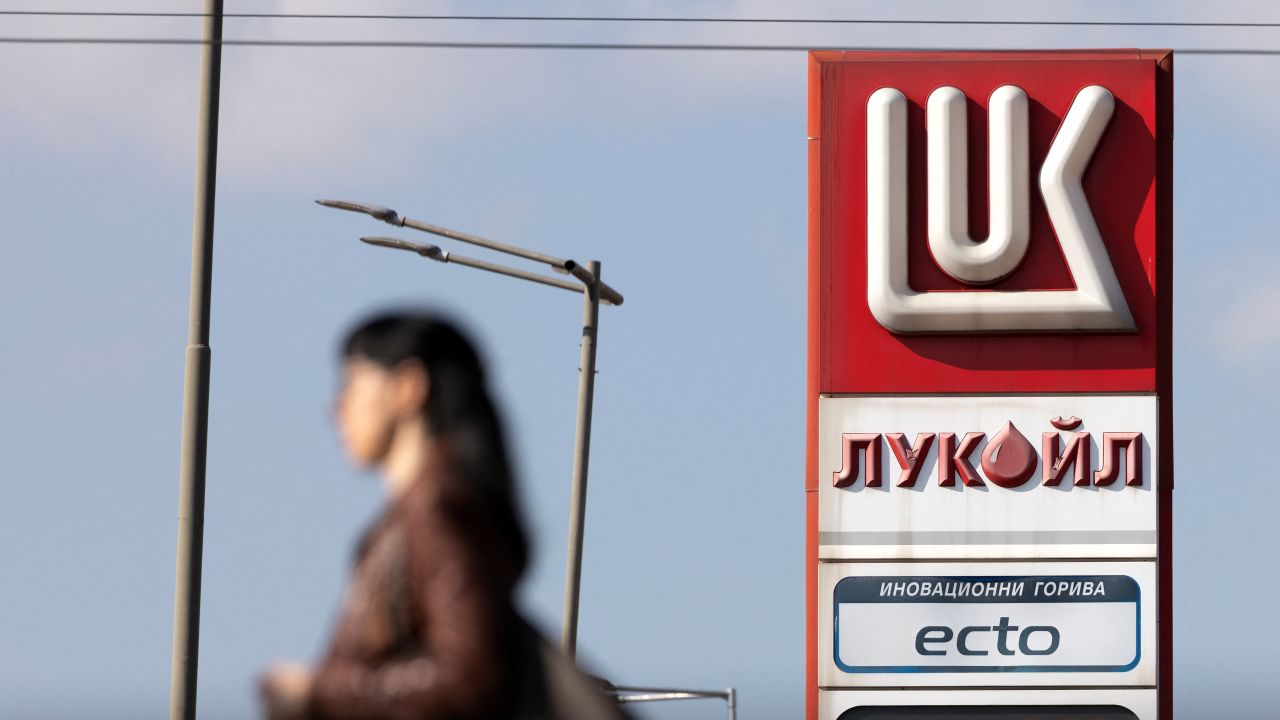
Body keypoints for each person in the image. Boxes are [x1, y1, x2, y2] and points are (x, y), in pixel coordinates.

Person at [260, 311, 626, 720]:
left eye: (353, 383)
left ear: (409, 387)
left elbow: (469, 677)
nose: (337, 407)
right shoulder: (418, 512)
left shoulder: (435, 506)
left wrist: (319, 693)